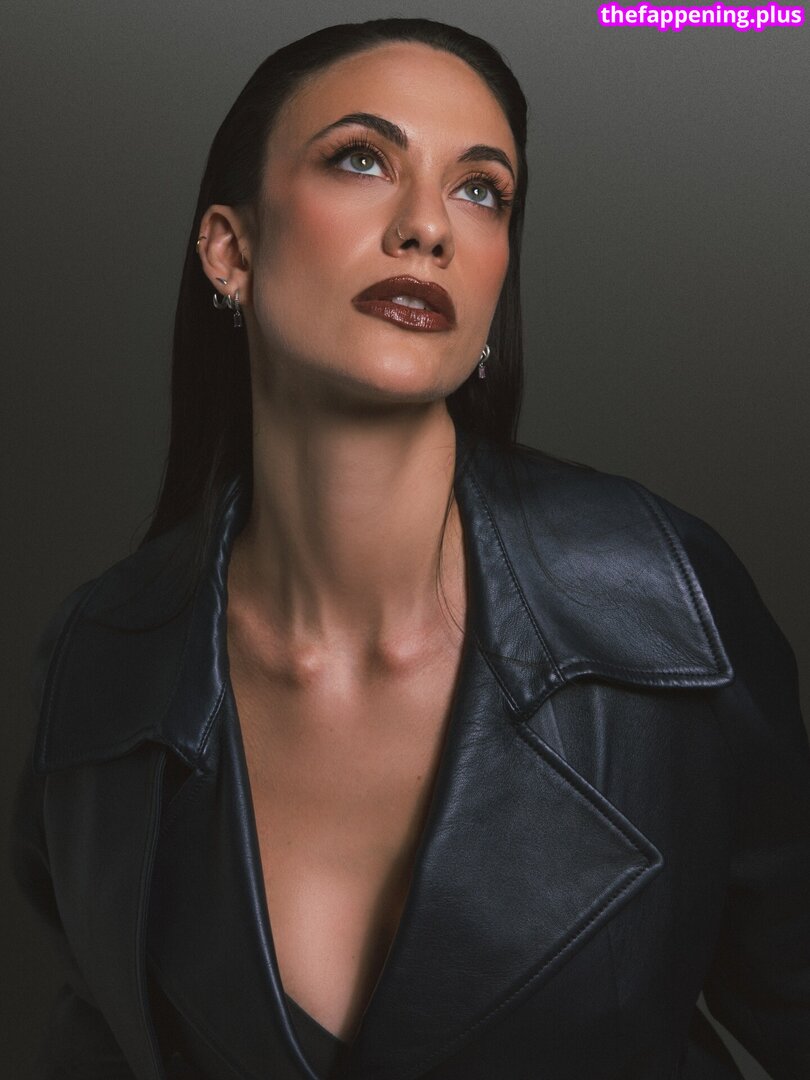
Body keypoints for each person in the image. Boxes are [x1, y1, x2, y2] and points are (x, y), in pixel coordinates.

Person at [10, 16, 810, 1080]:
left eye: (480, 190)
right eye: (360, 160)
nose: (428, 227)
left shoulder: (663, 606)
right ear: (230, 250)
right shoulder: (103, 664)